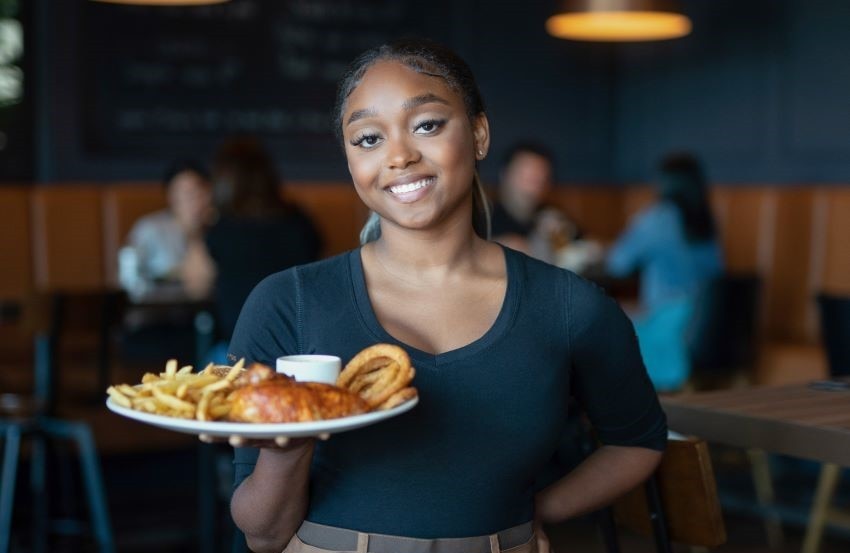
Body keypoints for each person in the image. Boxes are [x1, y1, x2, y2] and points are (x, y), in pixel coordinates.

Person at [225, 39, 666, 553]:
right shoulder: (286, 301)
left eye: (427, 125)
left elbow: (637, 441)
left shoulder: (570, 306)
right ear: (349, 161)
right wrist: (287, 448)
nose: (398, 155)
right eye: (367, 138)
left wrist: (538, 510)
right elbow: (262, 534)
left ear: (478, 134)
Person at [182, 137, 322, 348]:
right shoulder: (299, 221)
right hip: (299, 346)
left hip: (237, 351)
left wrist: (195, 229)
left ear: (222, 181)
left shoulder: (220, 228)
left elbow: (195, 287)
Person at [606, 152, 724, 392]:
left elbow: (617, 263)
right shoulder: (706, 222)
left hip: (670, 327)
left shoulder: (658, 218)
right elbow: (716, 272)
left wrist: (636, 224)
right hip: (705, 323)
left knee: (603, 322)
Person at [119, 160, 212, 298]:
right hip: (159, 310)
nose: (194, 200)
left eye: (198, 192)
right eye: (186, 193)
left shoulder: (216, 228)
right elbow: (129, 279)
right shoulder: (150, 228)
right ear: (171, 197)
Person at [490, 142, 579, 264]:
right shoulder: (482, 216)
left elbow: (589, 247)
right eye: (525, 177)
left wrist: (566, 234)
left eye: (539, 179)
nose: (531, 187)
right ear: (504, 174)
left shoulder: (551, 214)